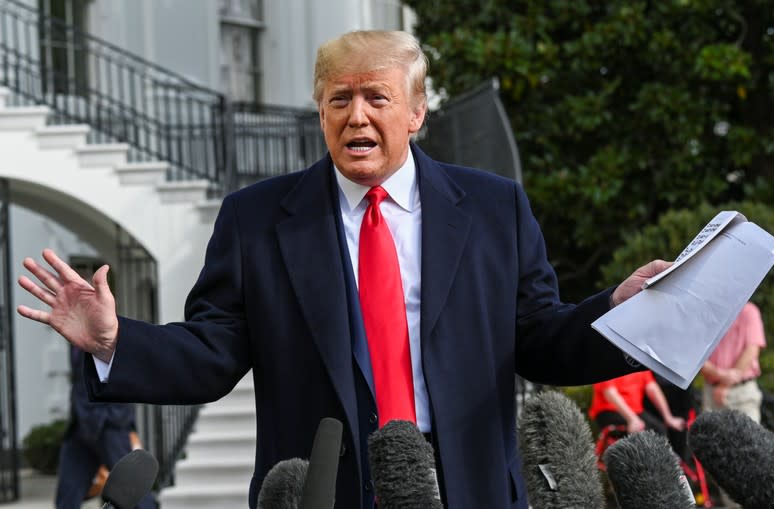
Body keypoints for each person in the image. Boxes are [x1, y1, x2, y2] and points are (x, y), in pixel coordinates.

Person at [17, 30, 671, 509]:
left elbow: (541, 337)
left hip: (466, 483)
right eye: (338, 100)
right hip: (322, 486)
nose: (355, 115)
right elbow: (213, 350)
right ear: (320, 112)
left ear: (415, 114)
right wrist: (113, 340)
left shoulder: (493, 208)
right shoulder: (258, 219)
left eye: (375, 98)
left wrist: (619, 307)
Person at [55, 345, 157, 509]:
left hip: (109, 425)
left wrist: (113, 416)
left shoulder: (106, 328)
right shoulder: (72, 332)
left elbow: (125, 375)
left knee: (132, 489)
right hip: (79, 426)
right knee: (67, 496)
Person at [700, 301, 765, 423]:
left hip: (742, 395)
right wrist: (720, 375)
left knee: (748, 440)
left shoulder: (749, 311)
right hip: (711, 393)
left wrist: (724, 385)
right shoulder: (706, 313)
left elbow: (752, 350)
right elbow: (696, 356)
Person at [589, 370, 686, 436]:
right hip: (608, 410)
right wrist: (632, 419)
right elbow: (610, 393)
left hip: (635, 410)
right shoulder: (608, 359)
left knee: (659, 429)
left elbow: (652, 388)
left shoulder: (638, 359)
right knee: (646, 432)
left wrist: (668, 418)